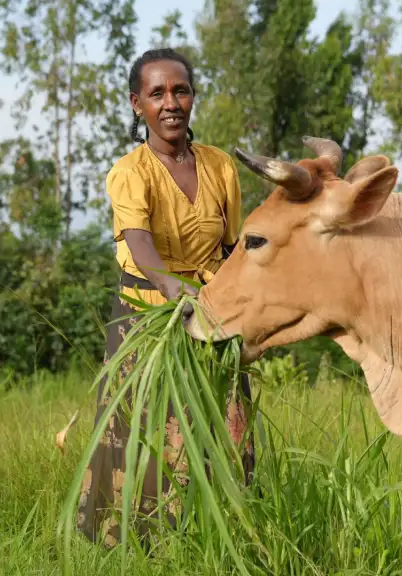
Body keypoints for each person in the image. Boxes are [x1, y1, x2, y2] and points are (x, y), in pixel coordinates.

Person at [77, 48, 255, 548]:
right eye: (157, 93)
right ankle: (130, 545)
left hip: (212, 318)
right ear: (137, 104)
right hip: (146, 320)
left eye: (180, 90)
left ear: (193, 97)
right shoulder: (130, 172)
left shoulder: (220, 166)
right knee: (143, 440)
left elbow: (231, 246)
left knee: (225, 429)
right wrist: (174, 289)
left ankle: (222, 538)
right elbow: (139, 242)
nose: (171, 102)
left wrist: (240, 305)